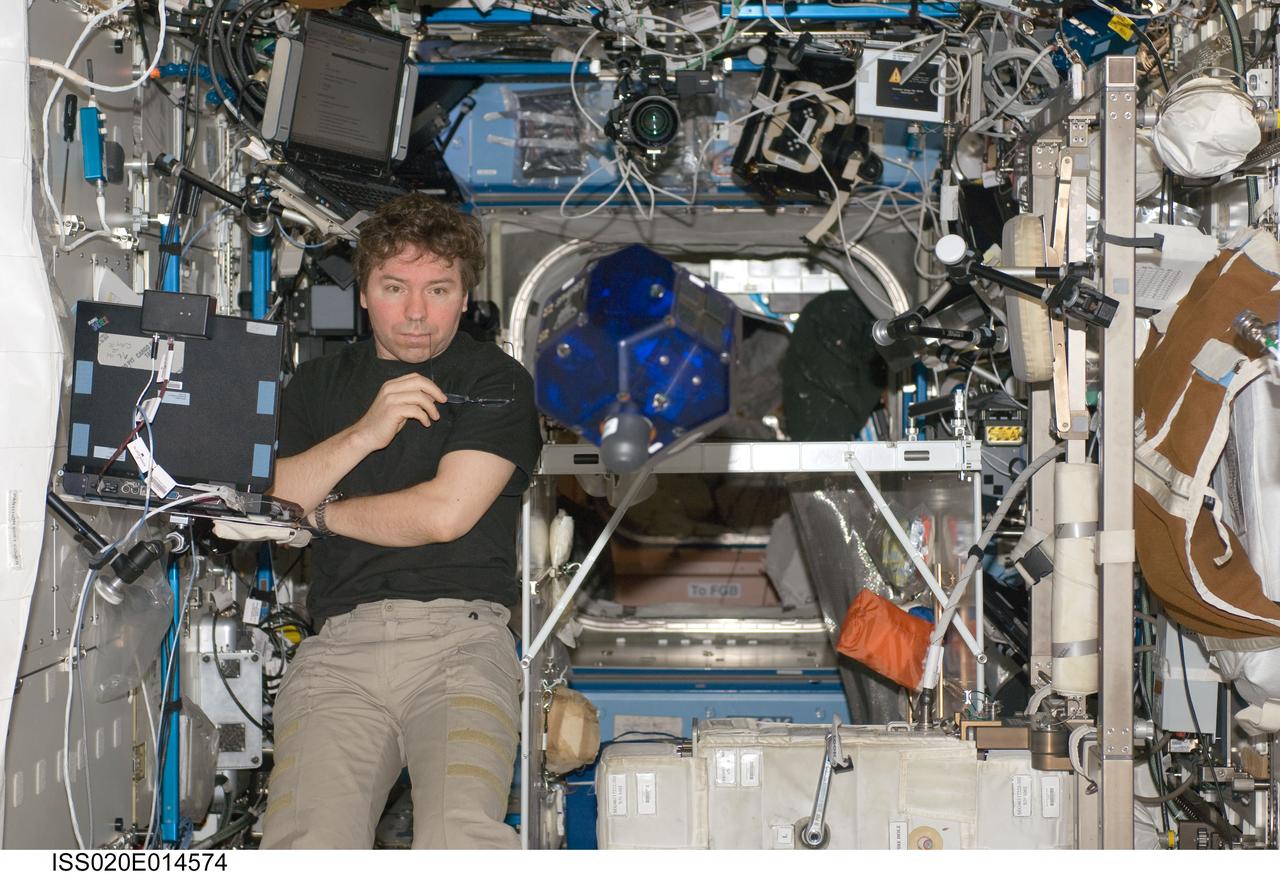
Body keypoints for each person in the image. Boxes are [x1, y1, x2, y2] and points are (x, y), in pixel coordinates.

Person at [260, 194, 541, 849]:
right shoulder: (316, 387)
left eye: (438, 289)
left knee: (459, 841)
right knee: (303, 846)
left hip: (461, 646)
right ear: (363, 293)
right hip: (338, 653)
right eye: (394, 287)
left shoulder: (496, 381)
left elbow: (443, 514)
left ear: (465, 294)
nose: (416, 312)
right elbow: (272, 499)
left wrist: (322, 516)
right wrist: (365, 432)